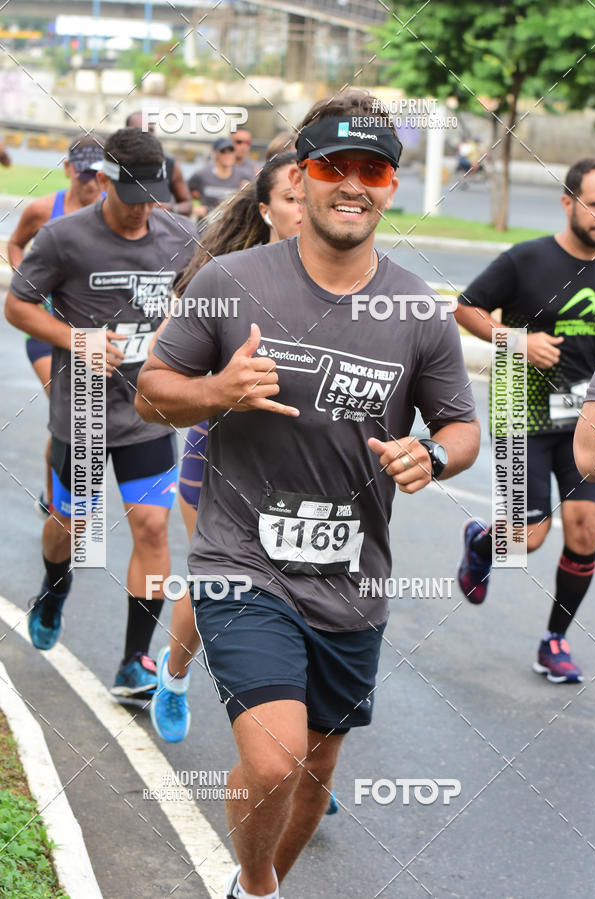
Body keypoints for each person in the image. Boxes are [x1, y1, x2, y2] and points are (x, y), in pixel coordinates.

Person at [136, 89, 479, 899]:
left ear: (391, 186)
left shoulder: (416, 310)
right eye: (334, 167)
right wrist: (216, 390)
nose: (352, 183)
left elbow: (463, 426)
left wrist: (433, 454)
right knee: (275, 758)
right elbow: (151, 391)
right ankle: (256, 884)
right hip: (242, 560)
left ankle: (255, 884)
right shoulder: (230, 281)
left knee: (316, 767)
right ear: (302, 176)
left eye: (373, 170)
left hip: (352, 580)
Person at [4, 127, 196, 696]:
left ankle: (134, 661)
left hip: (146, 411)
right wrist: (76, 338)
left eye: (151, 198)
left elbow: (201, 300)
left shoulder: (180, 236)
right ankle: (54, 588)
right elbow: (17, 305)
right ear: (105, 180)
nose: (142, 211)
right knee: (74, 526)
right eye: (132, 197)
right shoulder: (64, 238)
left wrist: (176, 332)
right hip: (83, 411)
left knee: (153, 526)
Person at [149, 153, 301, 742]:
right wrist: (220, 386)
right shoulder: (227, 280)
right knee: (217, 579)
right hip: (219, 459)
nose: (303, 208)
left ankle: (306, 751)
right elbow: (160, 371)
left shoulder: (351, 284)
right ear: (265, 211)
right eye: (289, 198)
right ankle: (175, 675)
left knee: (305, 593)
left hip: (307, 474)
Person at [456, 156, 595, 684]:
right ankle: (481, 542)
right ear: (567, 202)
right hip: (522, 412)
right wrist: (516, 341)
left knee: (585, 530)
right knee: (527, 538)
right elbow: (465, 308)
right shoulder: (526, 259)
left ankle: (554, 640)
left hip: (586, 420)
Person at [7, 135, 105, 517]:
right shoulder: (44, 209)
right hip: (45, 333)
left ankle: (60, 498)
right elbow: (15, 244)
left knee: (83, 419)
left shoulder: (113, 211)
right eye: (83, 173)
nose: (91, 181)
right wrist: (26, 283)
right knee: (71, 412)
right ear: (67, 169)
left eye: (97, 173)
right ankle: (55, 504)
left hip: (92, 334)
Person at [125, 111, 193, 216]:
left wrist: (168, 208)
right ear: (126, 133)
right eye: (140, 131)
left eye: (151, 130)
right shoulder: (116, 161)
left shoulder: (169, 164)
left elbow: (188, 205)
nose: (147, 135)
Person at [188, 137, 247, 220]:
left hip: (230, 223)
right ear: (215, 154)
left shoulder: (242, 176)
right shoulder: (202, 174)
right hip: (207, 223)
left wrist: (245, 192)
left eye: (231, 151)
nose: (228, 155)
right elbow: (184, 195)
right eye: (223, 152)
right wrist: (196, 207)